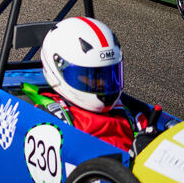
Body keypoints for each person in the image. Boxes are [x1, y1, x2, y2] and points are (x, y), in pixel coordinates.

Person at [23, 17, 142, 152]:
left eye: (108, 75)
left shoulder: (128, 114)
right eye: (91, 78)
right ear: (60, 68)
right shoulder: (48, 119)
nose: (102, 83)